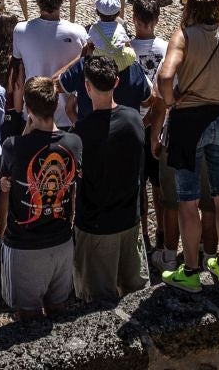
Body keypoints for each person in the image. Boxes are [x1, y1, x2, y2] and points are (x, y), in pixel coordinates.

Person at [155, 0, 219, 291]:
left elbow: (165, 77)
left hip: (189, 121)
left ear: (189, 2)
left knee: (188, 200)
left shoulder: (184, 35)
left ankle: (190, 271)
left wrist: (171, 100)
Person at [0, 75, 81, 316]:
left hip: (24, 247)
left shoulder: (14, 146)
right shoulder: (74, 143)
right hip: (62, 241)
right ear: (56, 105)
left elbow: (9, 177)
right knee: (58, 309)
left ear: (27, 108)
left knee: (26, 318)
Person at [72, 52, 145, 300]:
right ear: (116, 82)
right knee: (135, 295)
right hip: (129, 220)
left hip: (96, 226)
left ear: (87, 86)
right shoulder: (134, 119)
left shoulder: (80, 133)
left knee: (96, 304)